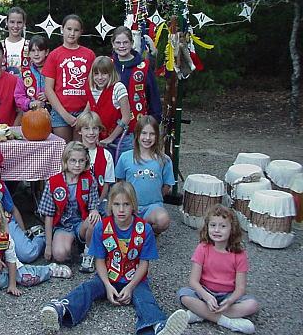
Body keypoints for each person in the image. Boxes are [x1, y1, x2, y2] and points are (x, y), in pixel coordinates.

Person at [40, 181, 189, 335]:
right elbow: (99, 260)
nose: (122, 209)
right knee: (87, 289)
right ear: (110, 205)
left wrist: (130, 287)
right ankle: (61, 309)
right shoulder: (102, 227)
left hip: (135, 280)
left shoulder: (144, 229)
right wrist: (107, 285)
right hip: (107, 277)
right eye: (117, 204)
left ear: (134, 205)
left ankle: (158, 326)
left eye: (126, 204)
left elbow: (144, 264)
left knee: (145, 299)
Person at [177, 204, 259, 334]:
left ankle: (201, 314)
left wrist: (230, 300)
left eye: (223, 226)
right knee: (183, 295)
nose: (217, 230)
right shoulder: (202, 248)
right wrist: (207, 297)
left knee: (252, 304)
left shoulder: (239, 254)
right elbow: (193, 281)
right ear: (207, 227)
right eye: (213, 225)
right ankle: (228, 322)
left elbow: (240, 288)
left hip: (228, 296)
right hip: (205, 293)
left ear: (232, 229)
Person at [0, 197, 72, 297]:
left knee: (27, 279)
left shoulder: (4, 237)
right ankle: (6, 279)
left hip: (8, 266)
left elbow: (11, 260)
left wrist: (12, 285)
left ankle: (49, 270)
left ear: (1, 219)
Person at [38, 141, 101, 272]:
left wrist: (94, 210)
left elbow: (93, 205)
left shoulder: (89, 179)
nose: (77, 165)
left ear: (86, 162)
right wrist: (48, 245)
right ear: (65, 161)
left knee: (94, 221)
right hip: (63, 225)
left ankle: (88, 253)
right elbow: (48, 216)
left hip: (81, 223)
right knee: (60, 255)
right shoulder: (54, 182)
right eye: (73, 160)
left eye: (81, 161)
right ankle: (73, 245)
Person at [115, 116, 175, 235]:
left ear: (157, 136)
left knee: (163, 220)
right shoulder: (125, 157)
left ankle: (150, 233)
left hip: (152, 206)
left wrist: (155, 196)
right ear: (137, 134)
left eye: (152, 134)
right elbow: (120, 183)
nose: (147, 138)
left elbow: (167, 186)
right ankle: (135, 230)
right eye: (144, 133)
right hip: (129, 206)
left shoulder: (164, 160)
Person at [43, 14, 96, 142]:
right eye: (69, 29)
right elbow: (48, 89)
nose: (72, 33)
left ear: (81, 32)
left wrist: (85, 113)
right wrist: (65, 115)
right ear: (62, 29)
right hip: (61, 112)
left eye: (76, 30)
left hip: (84, 111)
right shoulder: (54, 55)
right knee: (64, 152)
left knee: (81, 152)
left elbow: (95, 86)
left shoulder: (89, 55)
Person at [111, 26, 161, 131]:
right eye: (118, 43)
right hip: (111, 124)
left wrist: (155, 120)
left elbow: (153, 95)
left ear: (132, 43)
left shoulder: (143, 67)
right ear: (113, 44)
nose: (122, 46)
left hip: (137, 125)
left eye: (125, 42)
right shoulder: (108, 65)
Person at [87, 55, 132, 159]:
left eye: (104, 73)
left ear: (111, 73)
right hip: (101, 137)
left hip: (121, 137)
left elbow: (126, 117)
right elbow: (88, 112)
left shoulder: (118, 88)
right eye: (96, 74)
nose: (100, 77)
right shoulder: (92, 89)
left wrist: (111, 138)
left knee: (121, 167)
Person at [75, 111, 115, 216]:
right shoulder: (73, 153)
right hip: (75, 202)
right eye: (86, 128)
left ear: (99, 130)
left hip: (100, 200)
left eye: (95, 128)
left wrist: (96, 205)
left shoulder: (106, 155)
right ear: (80, 131)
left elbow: (106, 184)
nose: (91, 133)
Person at [14, 35, 50, 112]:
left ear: (46, 52)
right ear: (29, 53)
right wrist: (30, 104)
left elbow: (61, 91)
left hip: (53, 116)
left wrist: (49, 96)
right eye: (33, 51)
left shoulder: (53, 71)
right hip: (31, 116)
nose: (36, 54)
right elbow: (18, 96)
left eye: (39, 50)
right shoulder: (24, 74)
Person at [3, 6, 29, 76]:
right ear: (6, 22)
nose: (15, 26)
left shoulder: (30, 46)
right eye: (12, 22)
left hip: (24, 85)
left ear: (24, 23)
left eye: (19, 22)